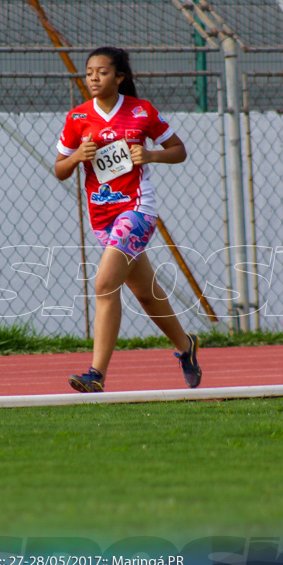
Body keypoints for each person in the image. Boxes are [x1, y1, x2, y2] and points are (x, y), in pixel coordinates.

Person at [54, 46, 201, 393]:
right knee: (146, 294)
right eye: (89, 71)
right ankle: (185, 346)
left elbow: (178, 150)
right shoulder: (77, 118)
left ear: (120, 77)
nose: (93, 77)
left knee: (105, 284)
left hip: (136, 210)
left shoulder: (141, 111)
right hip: (102, 217)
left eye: (102, 72)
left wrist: (150, 154)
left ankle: (96, 374)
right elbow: (59, 170)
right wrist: (76, 156)